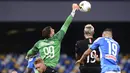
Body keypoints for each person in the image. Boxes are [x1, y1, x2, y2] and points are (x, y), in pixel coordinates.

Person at [26, 3, 79, 73]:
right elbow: (66, 24)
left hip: (40, 69)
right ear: (50, 33)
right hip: (48, 69)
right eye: (52, 29)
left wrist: (28, 56)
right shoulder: (57, 38)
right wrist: (73, 11)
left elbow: (30, 52)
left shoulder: (39, 43)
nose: (53, 29)